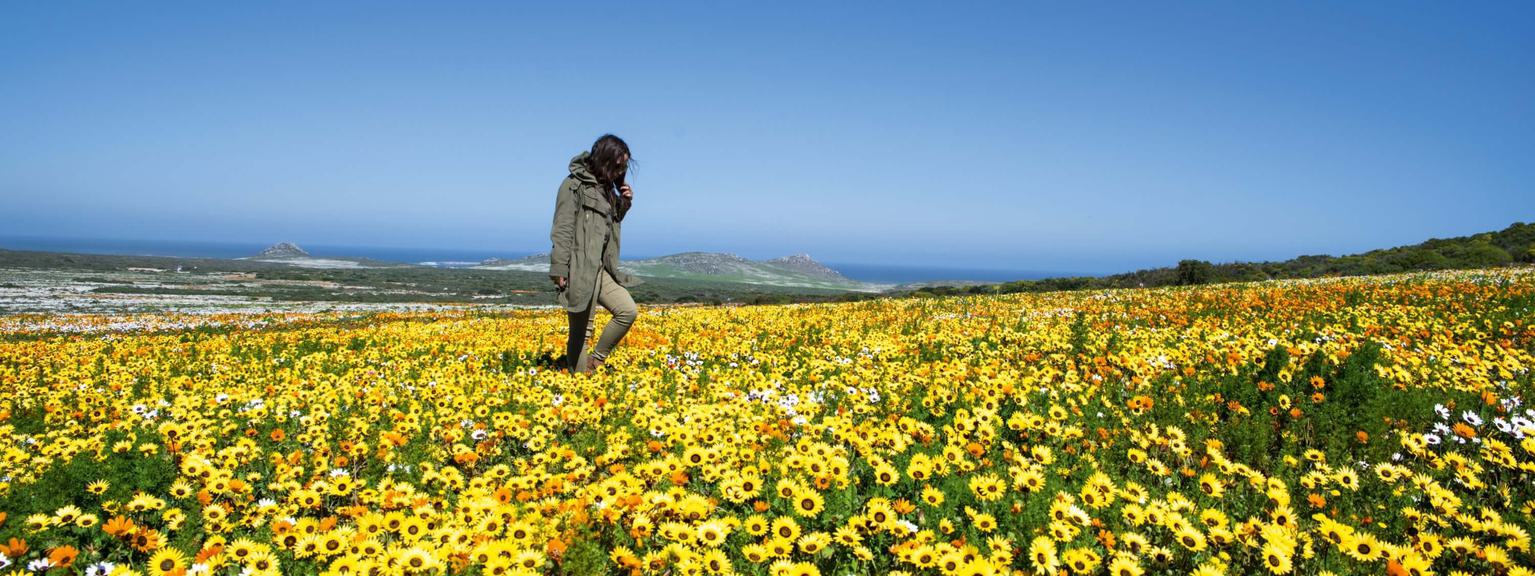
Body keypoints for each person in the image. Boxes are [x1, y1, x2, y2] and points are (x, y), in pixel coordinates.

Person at [548, 134, 642, 373]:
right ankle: (577, 379)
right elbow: (562, 228)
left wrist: (624, 202)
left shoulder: (606, 188)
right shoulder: (573, 185)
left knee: (627, 310)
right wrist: (559, 269)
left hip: (601, 269)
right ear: (606, 159)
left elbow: (610, 223)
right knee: (581, 332)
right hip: (579, 267)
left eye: (624, 165)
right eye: (619, 164)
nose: (622, 169)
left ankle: (596, 359)